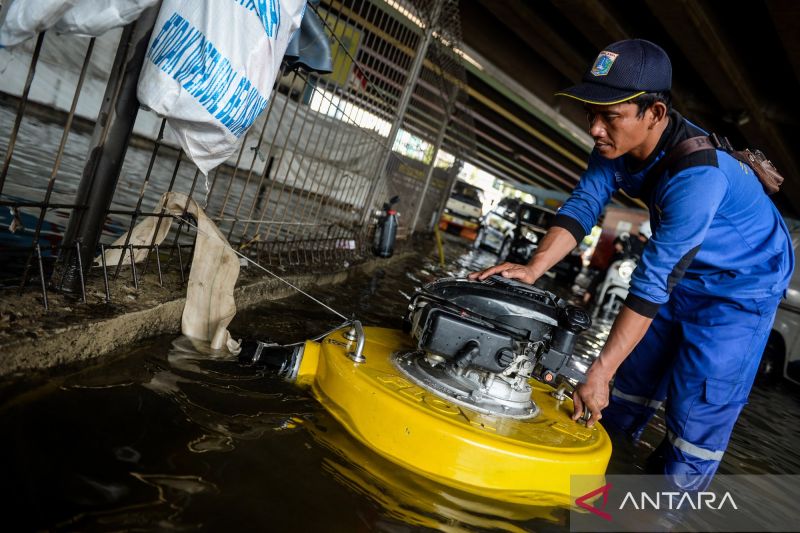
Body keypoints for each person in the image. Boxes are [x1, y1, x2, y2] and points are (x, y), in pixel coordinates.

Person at [469, 39, 794, 490]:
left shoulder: (699, 175)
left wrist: (598, 369)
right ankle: (604, 482)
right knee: (623, 394)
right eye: (591, 113)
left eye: (611, 116)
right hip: (683, 271)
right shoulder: (613, 147)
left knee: (693, 420)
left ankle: (665, 508)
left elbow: (652, 280)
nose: (596, 129)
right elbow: (584, 204)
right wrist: (533, 268)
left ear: (655, 114)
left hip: (743, 286)